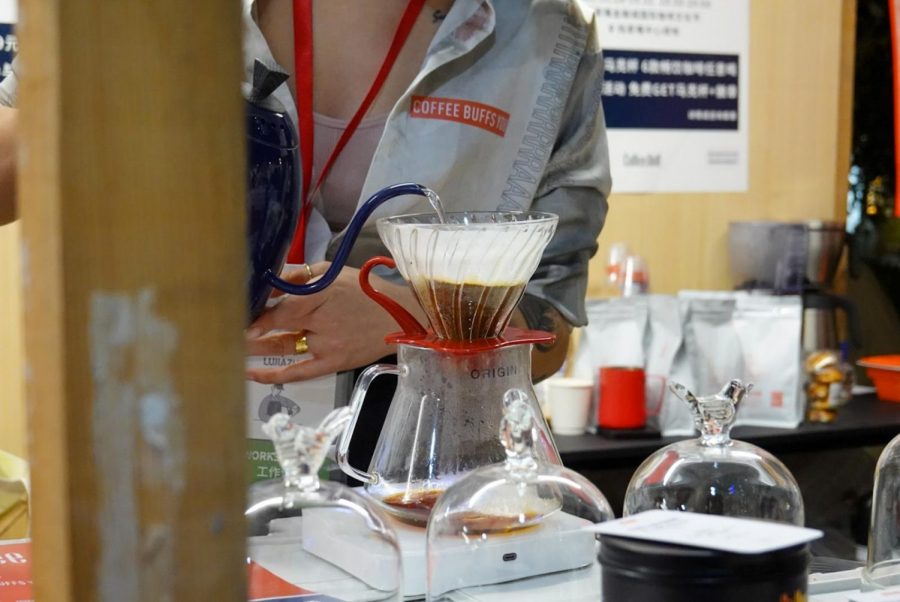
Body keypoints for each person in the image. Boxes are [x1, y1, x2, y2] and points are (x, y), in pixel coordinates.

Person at [243, 0, 612, 386]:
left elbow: (549, 333)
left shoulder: (551, 35)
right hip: (200, 412)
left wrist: (407, 316)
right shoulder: (192, 20)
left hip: (426, 429)